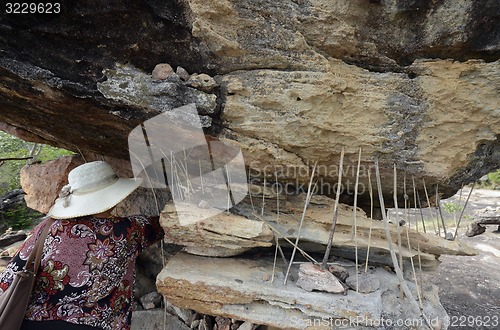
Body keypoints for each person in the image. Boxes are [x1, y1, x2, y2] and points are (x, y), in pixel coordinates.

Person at [0, 161, 164, 330]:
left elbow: (8, 278)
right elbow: (161, 225)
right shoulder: (126, 230)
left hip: (31, 323)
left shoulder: (47, 227)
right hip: (94, 324)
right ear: (113, 195)